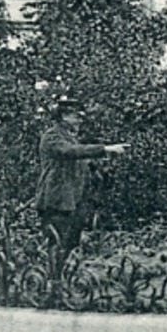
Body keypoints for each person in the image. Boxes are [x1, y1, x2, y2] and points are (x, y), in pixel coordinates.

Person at [35, 97, 126, 265]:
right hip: (57, 202)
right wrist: (104, 149)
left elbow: (79, 159)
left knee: (70, 245)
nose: (79, 120)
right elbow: (70, 152)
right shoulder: (52, 137)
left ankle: (63, 282)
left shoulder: (69, 137)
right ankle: (51, 283)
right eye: (76, 116)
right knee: (56, 245)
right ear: (63, 117)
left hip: (72, 201)